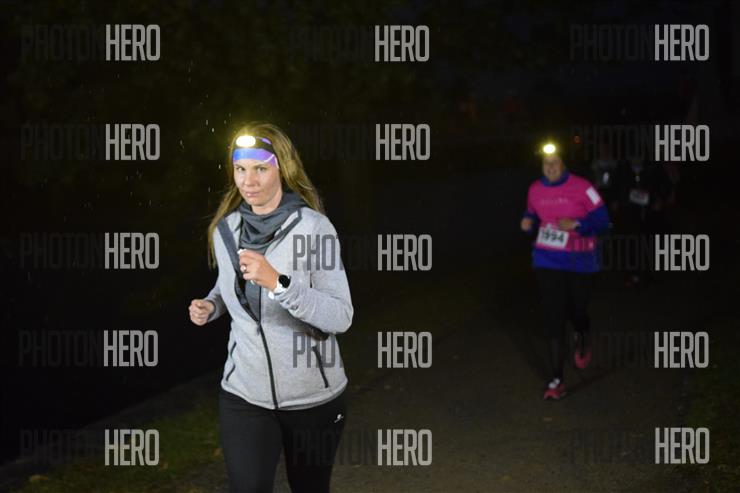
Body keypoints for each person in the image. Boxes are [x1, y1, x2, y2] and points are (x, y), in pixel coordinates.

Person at [189, 122, 353, 492]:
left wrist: (279, 283)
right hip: (244, 394)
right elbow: (229, 286)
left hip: (313, 397)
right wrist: (211, 305)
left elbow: (340, 315)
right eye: (240, 169)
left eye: (260, 168)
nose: (248, 181)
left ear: (283, 168)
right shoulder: (226, 229)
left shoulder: (314, 228)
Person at [520, 142, 610, 400]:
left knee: (577, 310)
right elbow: (531, 213)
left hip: (580, 260)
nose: (550, 167)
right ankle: (557, 380)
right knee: (553, 316)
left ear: (563, 164)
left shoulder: (583, 188)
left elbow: (603, 222)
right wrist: (528, 222)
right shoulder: (535, 190)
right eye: (545, 163)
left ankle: (582, 334)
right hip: (547, 259)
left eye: (555, 163)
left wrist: (578, 224)